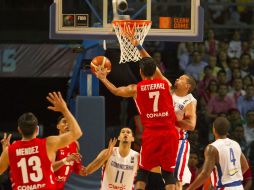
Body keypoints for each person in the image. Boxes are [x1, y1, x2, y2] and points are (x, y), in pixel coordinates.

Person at [94, 48, 179, 189]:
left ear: (140, 72)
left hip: (152, 133)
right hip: (170, 133)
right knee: (168, 173)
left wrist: (103, 78)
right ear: (155, 71)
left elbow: (115, 91)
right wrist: (139, 47)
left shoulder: (136, 89)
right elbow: (155, 68)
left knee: (143, 172)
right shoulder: (166, 84)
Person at [128, 37, 197, 190]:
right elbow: (153, 67)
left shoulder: (189, 101)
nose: (177, 79)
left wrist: (170, 120)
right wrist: (138, 46)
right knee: (154, 174)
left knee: (176, 180)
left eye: (181, 79)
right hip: (162, 136)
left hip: (178, 140)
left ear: (187, 86)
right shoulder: (167, 87)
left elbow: (191, 125)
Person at [0, 91, 83, 190]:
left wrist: (5, 151)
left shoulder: (9, 151)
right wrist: (64, 109)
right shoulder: (48, 144)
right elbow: (77, 132)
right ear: (37, 129)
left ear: (19, 130)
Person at [187, 117, 249, 190]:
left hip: (224, 187)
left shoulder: (212, 148)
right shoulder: (235, 144)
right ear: (227, 130)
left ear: (214, 129)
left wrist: (190, 188)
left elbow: (205, 174)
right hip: (239, 186)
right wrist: (232, 178)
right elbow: (245, 166)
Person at [52, 115, 86, 190]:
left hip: (60, 187)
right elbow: (50, 168)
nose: (67, 124)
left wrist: (82, 170)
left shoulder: (75, 144)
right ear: (58, 126)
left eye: (69, 123)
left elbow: (76, 168)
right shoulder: (53, 143)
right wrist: (66, 159)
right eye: (64, 122)